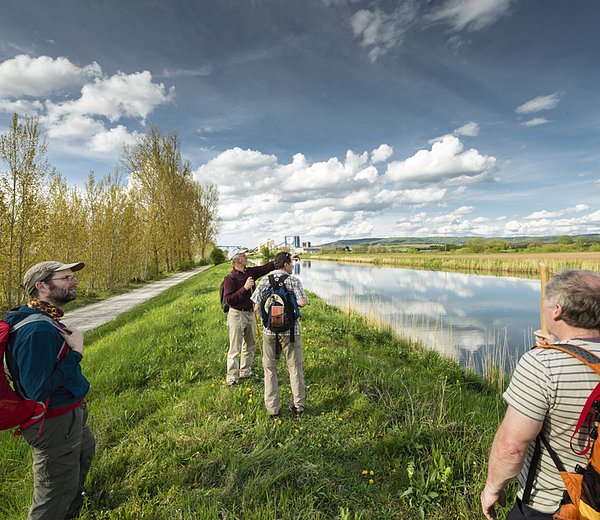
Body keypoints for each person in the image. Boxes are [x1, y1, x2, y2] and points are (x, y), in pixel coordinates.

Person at [481, 269, 600, 519]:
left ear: (557, 310)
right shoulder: (552, 357)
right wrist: (559, 346)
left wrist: (492, 487)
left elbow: (511, 446)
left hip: (552, 504)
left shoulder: (541, 365)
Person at [4, 261, 95, 520]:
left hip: (69, 414)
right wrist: (75, 353)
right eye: (65, 278)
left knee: (83, 454)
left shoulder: (45, 319)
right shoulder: (37, 329)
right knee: (52, 496)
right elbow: (37, 389)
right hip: (54, 423)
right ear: (41, 286)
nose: (74, 281)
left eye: (72, 277)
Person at [251, 251, 308, 417]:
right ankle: (298, 406)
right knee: (295, 368)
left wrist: (266, 318)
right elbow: (302, 302)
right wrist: (301, 302)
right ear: (285, 264)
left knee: (269, 370)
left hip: (269, 332)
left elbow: (255, 306)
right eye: (291, 263)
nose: (292, 266)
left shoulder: (264, 281)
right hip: (290, 332)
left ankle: (272, 409)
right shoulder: (293, 281)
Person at [222, 249, 276, 386]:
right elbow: (229, 300)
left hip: (250, 313)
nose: (246, 256)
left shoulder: (250, 272)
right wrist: (245, 288)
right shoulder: (230, 278)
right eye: (243, 255)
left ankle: (245, 371)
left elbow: (266, 268)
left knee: (250, 345)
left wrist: (284, 259)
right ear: (236, 260)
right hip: (236, 315)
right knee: (235, 348)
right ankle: (232, 379)